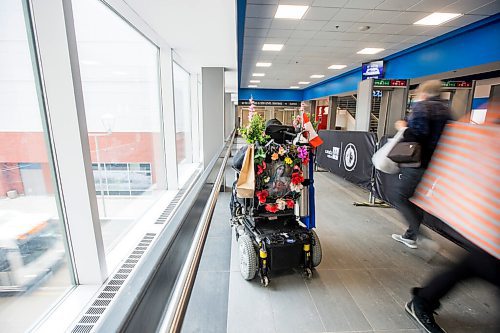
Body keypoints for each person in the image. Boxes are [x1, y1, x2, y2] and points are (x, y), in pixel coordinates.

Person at [391, 80, 452, 249]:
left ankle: (421, 237)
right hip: (437, 163)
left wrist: (403, 127)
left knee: (400, 197)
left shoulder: (422, 107)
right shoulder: (447, 111)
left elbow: (418, 134)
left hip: (417, 161)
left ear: (423, 93)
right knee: (414, 199)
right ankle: (410, 235)